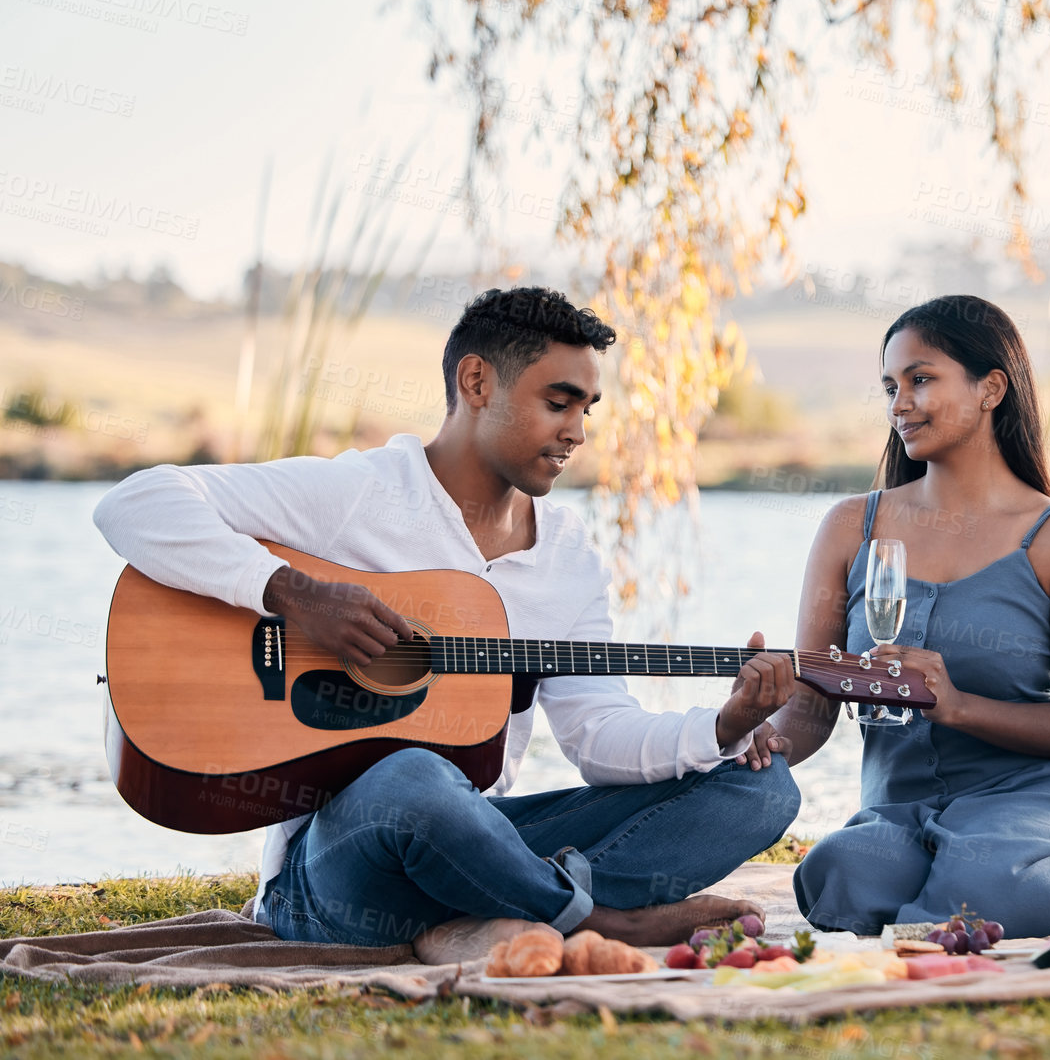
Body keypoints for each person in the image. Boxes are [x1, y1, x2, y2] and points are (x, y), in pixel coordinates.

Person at [92, 286, 800, 951]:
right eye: (559, 402)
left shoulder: (566, 555)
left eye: (587, 408)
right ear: (476, 383)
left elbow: (597, 734)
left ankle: (508, 910)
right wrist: (293, 592)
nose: (578, 432)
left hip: (475, 838)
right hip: (340, 871)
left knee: (758, 786)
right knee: (414, 777)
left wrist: (725, 725)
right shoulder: (360, 492)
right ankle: (605, 920)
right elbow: (135, 502)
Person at [767, 295, 1050, 939]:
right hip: (903, 807)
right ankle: (970, 885)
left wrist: (959, 705)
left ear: (991, 388)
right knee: (839, 877)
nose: (898, 404)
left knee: (996, 887)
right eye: (891, 386)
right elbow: (810, 706)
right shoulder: (849, 527)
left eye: (920, 380)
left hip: (1038, 799)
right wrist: (757, 737)